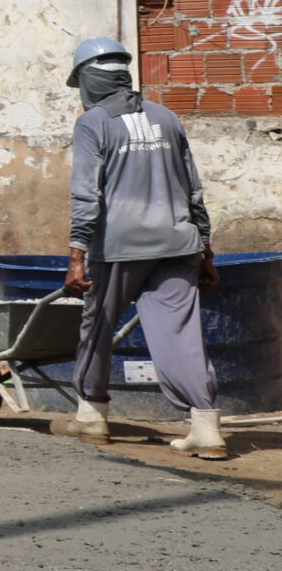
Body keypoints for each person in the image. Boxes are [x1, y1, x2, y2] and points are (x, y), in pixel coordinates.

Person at [62, 36, 226, 458]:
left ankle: (92, 414)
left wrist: (77, 254)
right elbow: (194, 190)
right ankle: (205, 426)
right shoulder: (167, 117)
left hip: (118, 246)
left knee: (98, 326)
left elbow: (86, 195)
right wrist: (206, 249)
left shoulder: (92, 123)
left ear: (89, 80)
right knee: (180, 332)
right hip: (177, 242)